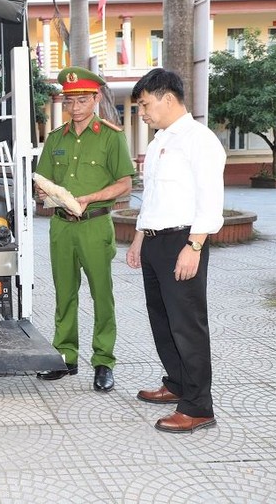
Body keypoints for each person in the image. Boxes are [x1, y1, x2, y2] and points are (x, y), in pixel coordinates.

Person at [126, 68, 226, 433]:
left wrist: (194, 245)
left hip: (183, 241)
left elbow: (211, 200)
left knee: (187, 325)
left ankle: (199, 406)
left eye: (145, 105)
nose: (143, 113)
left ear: (168, 98)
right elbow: (152, 196)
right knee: (163, 321)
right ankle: (177, 384)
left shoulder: (199, 139)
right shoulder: (158, 142)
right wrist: (139, 237)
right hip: (154, 241)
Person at [34, 66, 135, 392]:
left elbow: (124, 184)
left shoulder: (111, 136)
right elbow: (43, 181)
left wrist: (89, 197)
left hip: (94, 225)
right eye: (69, 100)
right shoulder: (55, 138)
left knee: (101, 295)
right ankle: (66, 355)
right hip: (62, 227)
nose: (75, 107)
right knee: (64, 295)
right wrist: (43, 193)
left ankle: (104, 361)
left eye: (81, 100)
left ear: (95, 98)